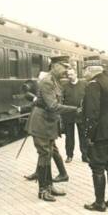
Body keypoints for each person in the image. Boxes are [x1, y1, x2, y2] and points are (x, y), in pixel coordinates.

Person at [25, 56, 79, 202]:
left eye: (68, 67)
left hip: (48, 122)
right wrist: (75, 109)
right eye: (64, 67)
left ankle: (49, 186)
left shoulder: (55, 81)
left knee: (48, 153)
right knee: (44, 154)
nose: (66, 70)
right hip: (41, 122)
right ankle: (43, 190)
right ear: (54, 66)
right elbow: (53, 106)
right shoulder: (47, 82)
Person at [82, 57, 108, 212]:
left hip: (101, 134)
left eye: (84, 70)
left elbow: (92, 114)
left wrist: (88, 135)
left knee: (98, 167)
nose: (83, 73)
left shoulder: (93, 85)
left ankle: (99, 203)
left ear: (90, 70)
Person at [62, 67, 89, 163]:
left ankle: (85, 155)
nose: (69, 76)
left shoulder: (84, 84)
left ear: (76, 74)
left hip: (81, 115)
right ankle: (69, 155)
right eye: (68, 75)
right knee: (69, 137)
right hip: (68, 115)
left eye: (71, 74)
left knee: (83, 136)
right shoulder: (64, 86)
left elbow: (88, 98)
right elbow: (62, 100)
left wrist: (85, 109)